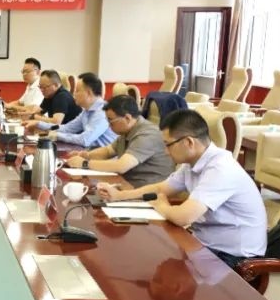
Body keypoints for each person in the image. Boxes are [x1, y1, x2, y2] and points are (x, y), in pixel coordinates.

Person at [98, 109, 267, 269]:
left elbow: (183, 217)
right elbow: (161, 188)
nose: (165, 152)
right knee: (141, 256)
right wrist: (120, 195)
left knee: (151, 265)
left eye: (168, 145)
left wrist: (162, 206)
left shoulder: (220, 169)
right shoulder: (192, 163)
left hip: (233, 257)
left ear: (189, 142)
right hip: (205, 244)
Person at [66, 94, 174, 187]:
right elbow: (108, 151)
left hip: (147, 189)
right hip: (127, 182)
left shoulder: (147, 135)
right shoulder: (127, 130)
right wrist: (85, 155)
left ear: (127, 118)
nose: (109, 125)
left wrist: (85, 163)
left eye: (111, 121)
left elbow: (121, 166)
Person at [32, 72, 116, 148]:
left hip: (104, 158)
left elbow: (84, 140)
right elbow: (67, 128)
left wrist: (57, 135)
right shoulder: (86, 111)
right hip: (90, 152)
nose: (74, 94)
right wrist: (38, 124)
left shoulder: (102, 112)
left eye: (77, 91)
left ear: (88, 93)